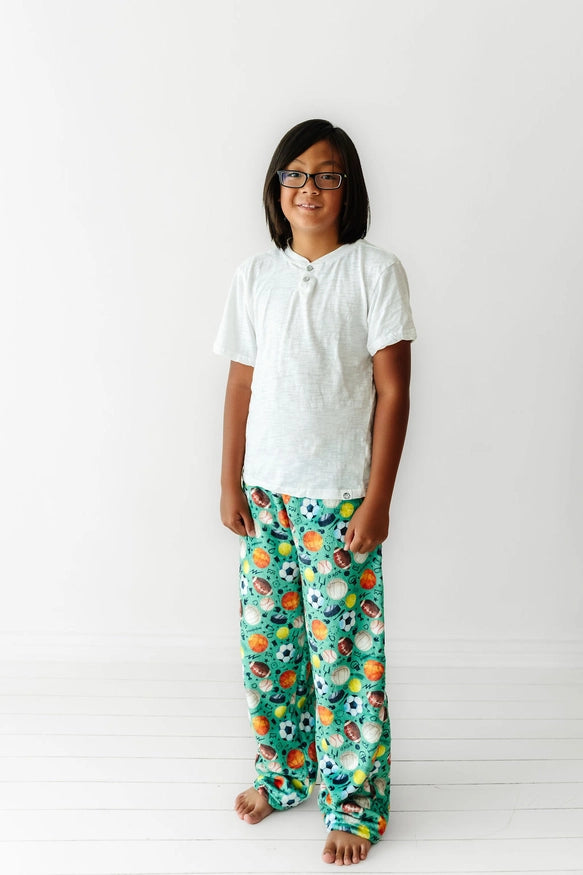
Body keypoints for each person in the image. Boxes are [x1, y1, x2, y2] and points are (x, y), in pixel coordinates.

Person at [213, 118, 417, 866]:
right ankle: (284, 773)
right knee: (269, 650)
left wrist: (378, 498)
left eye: (327, 175)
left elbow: (393, 392)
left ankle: (354, 802)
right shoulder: (254, 275)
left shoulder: (374, 272)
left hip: (337, 498)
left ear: (348, 188)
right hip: (265, 496)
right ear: (277, 188)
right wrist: (229, 479)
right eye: (294, 174)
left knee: (345, 661)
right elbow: (240, 385)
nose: (309, 188)